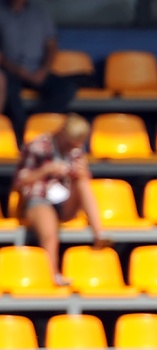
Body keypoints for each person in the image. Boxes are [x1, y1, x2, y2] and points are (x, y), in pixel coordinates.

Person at [11, 113, 105, 286]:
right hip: (38, 198)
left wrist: (81, 172)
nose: (71, 149)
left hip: (64, 199)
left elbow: (85, 179)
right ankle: (53, 274)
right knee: (50, 231)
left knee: (83, 181)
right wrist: (46, 170)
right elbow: (19, 182)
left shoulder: (75, 149)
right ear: (62, 133)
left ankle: (99, 232)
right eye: (68, 144)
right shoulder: (37, 146)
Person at [0, 0, 78, 144]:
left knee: (65, 88)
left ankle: (36, 125)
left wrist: (43, 70)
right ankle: (19, 135)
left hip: (37, 69)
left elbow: (51, 45)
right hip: (9, 71)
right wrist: (19, 71)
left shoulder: (40, 13)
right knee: (8, 90)